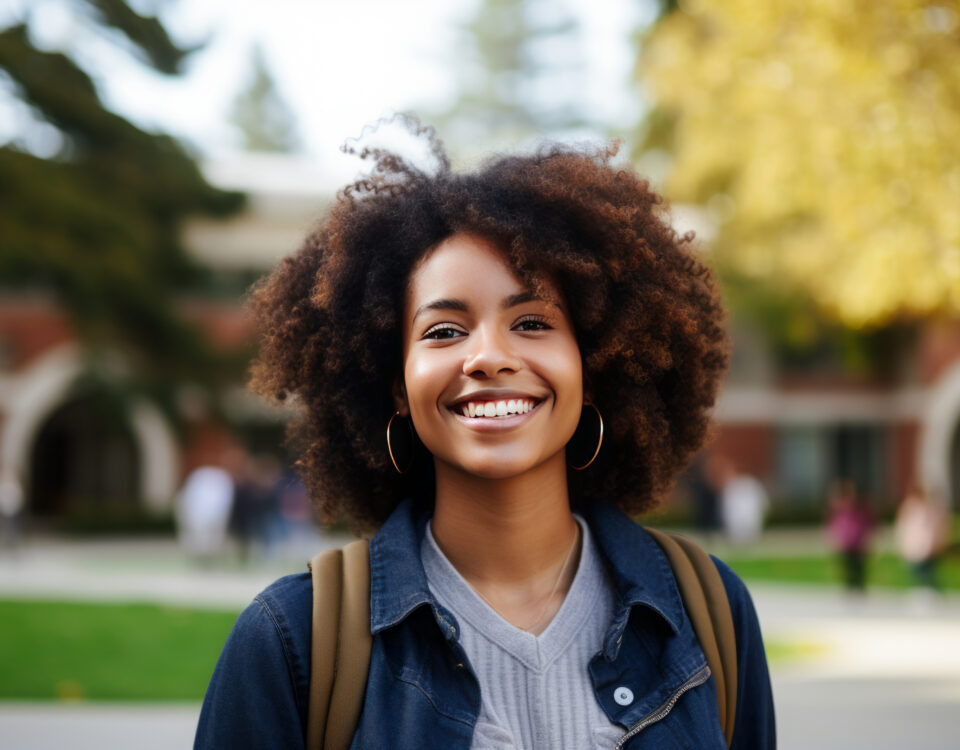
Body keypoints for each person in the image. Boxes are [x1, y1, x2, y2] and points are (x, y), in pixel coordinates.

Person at [195, 119, 775, 749]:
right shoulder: (291, 640)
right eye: (444, 331)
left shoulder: (709, 613)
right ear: (397, 385)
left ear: (593, 363)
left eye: (531, 322)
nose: (489, 357)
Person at [895, 483, 950, 593]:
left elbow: (930, 529)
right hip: (914, 546)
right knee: (918, 572)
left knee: (925, 571)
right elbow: (904, 529)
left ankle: (931, 591)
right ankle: (927, 591)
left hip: (924, 546)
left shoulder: (926, 509)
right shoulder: (909, 508)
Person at [826, 479, 873, 593]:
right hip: (845, 544)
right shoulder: (839, 508)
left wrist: (868, 539)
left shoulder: (860, 508)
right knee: (847, 570)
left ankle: (858, 590)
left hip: (858, 544)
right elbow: (834, 526)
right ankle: (850, 590)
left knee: (859, 570)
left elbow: (868, 524)